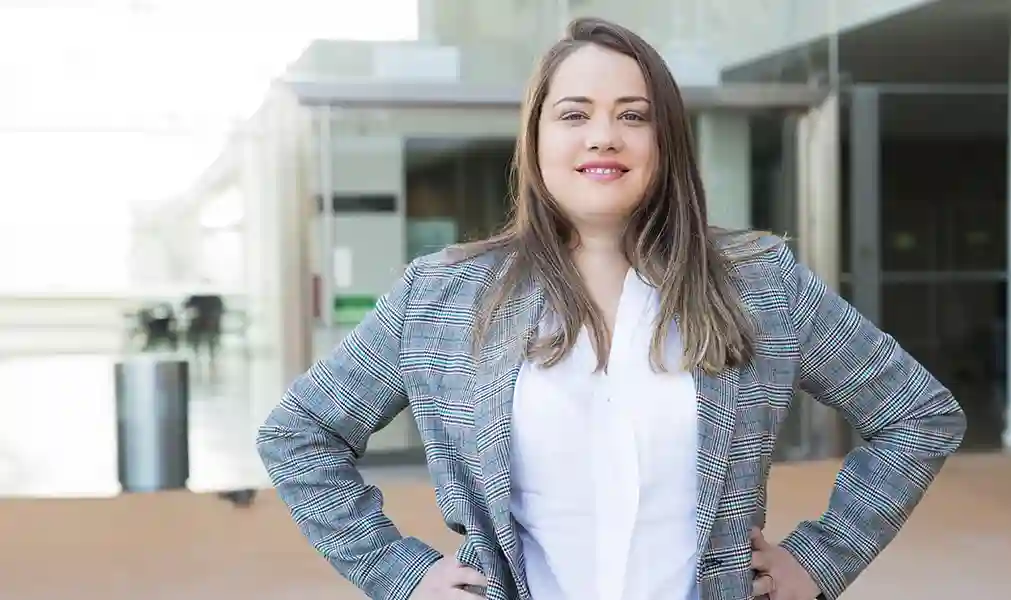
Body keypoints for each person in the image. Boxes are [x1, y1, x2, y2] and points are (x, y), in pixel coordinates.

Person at [257, 17, 966, 600]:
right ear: (536, 140)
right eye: (575, 114)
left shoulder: (759, 283)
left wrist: (821, 559)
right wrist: (401, 576)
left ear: (666, 143)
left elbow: (918, 414)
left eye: (634, 116)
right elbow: (299, 435)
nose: (604, 136)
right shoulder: (442, 294)